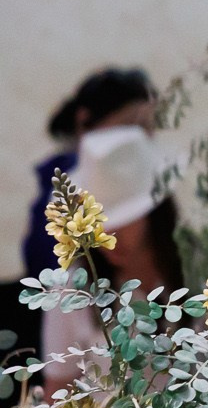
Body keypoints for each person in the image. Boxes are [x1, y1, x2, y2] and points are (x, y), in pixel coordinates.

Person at [40, 125, 184, 390]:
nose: (107, 236)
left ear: (154, 212)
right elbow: (57, 395)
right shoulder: (72, 289)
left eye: (123, 220)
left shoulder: (207, 271)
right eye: (97, 223)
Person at [25, 68, 159, 289]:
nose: (142, 137)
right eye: (130, 125)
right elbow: (50, 269)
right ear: (84, 120)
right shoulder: (66, 185)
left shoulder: (142, 180)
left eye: (148, 126)